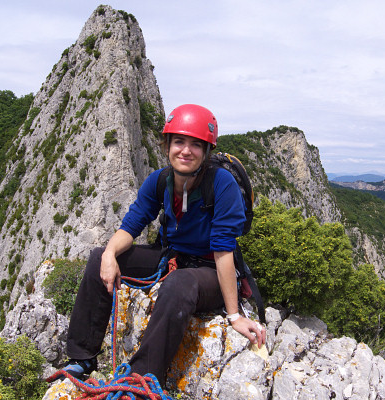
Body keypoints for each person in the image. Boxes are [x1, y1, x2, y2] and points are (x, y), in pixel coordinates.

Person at [60, 104, 266, 383]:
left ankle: (140, 378)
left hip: (211, 272)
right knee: (99, 258)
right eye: (178, 141)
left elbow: (223, 250)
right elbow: (130, 227)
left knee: (179, 283)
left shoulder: (222, 184)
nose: (185, 150)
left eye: (196, 144)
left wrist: (233, 315)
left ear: (206, 152)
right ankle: (81, 358)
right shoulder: (159, 181)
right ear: (167, 145)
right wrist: (109, 253)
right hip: (172, 257)